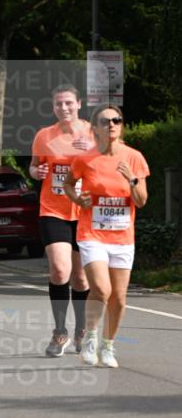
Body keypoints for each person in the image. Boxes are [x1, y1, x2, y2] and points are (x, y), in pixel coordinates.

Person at [64, 104, 149, 369]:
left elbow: (142, 201)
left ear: (121, 125)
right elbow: (68, 184)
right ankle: (90, 338)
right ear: (95, 129)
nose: (111, 124)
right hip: (92, 233)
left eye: (116, 120)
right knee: (101, 289)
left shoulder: (134, 158)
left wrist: (133, 180)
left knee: (119, 298)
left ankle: (108, 345)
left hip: (123, 236)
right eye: (105, 121)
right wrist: (78, 198)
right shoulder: (85, 159)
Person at [30, 85, 93, 356]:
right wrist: (37, 170)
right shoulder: (44, 136)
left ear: (79, 104)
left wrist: (93, 149)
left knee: (81, 278)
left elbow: (112, 164)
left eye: (68, 103)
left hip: (86, 212)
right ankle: (60, 332)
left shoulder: (94, 132)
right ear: (53, 107)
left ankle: (81, 329)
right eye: (58, 104)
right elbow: (34, 167)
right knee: (59, 271)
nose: (64, 108)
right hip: (53, 210)